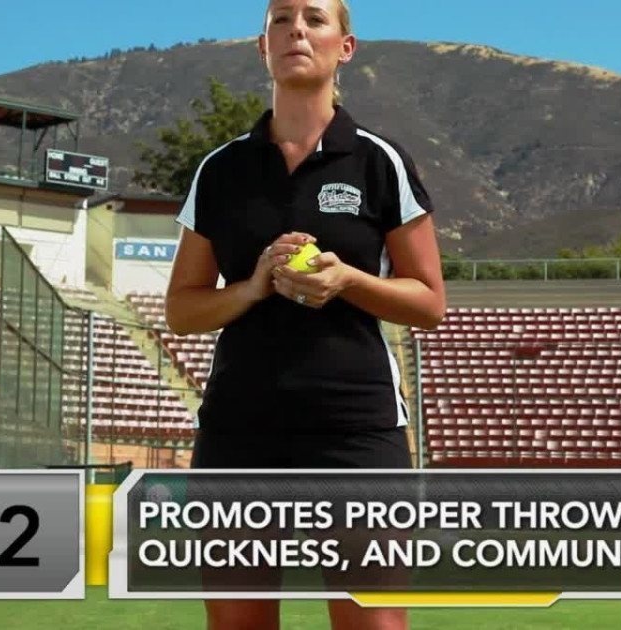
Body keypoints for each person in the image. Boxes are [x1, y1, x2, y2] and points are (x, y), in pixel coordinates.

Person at [165, 1, 445, 627]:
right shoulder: (221, 170)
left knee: (371, 622)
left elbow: (429, 301)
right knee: (238, 623)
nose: (296, 29)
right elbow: (182, 308)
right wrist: (255, 286)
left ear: (345, 47)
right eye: (281, 19)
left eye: (314, 18)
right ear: (260, 46)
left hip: (355, 430)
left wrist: (347, 279)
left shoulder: (379, 161)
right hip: (240, 431)